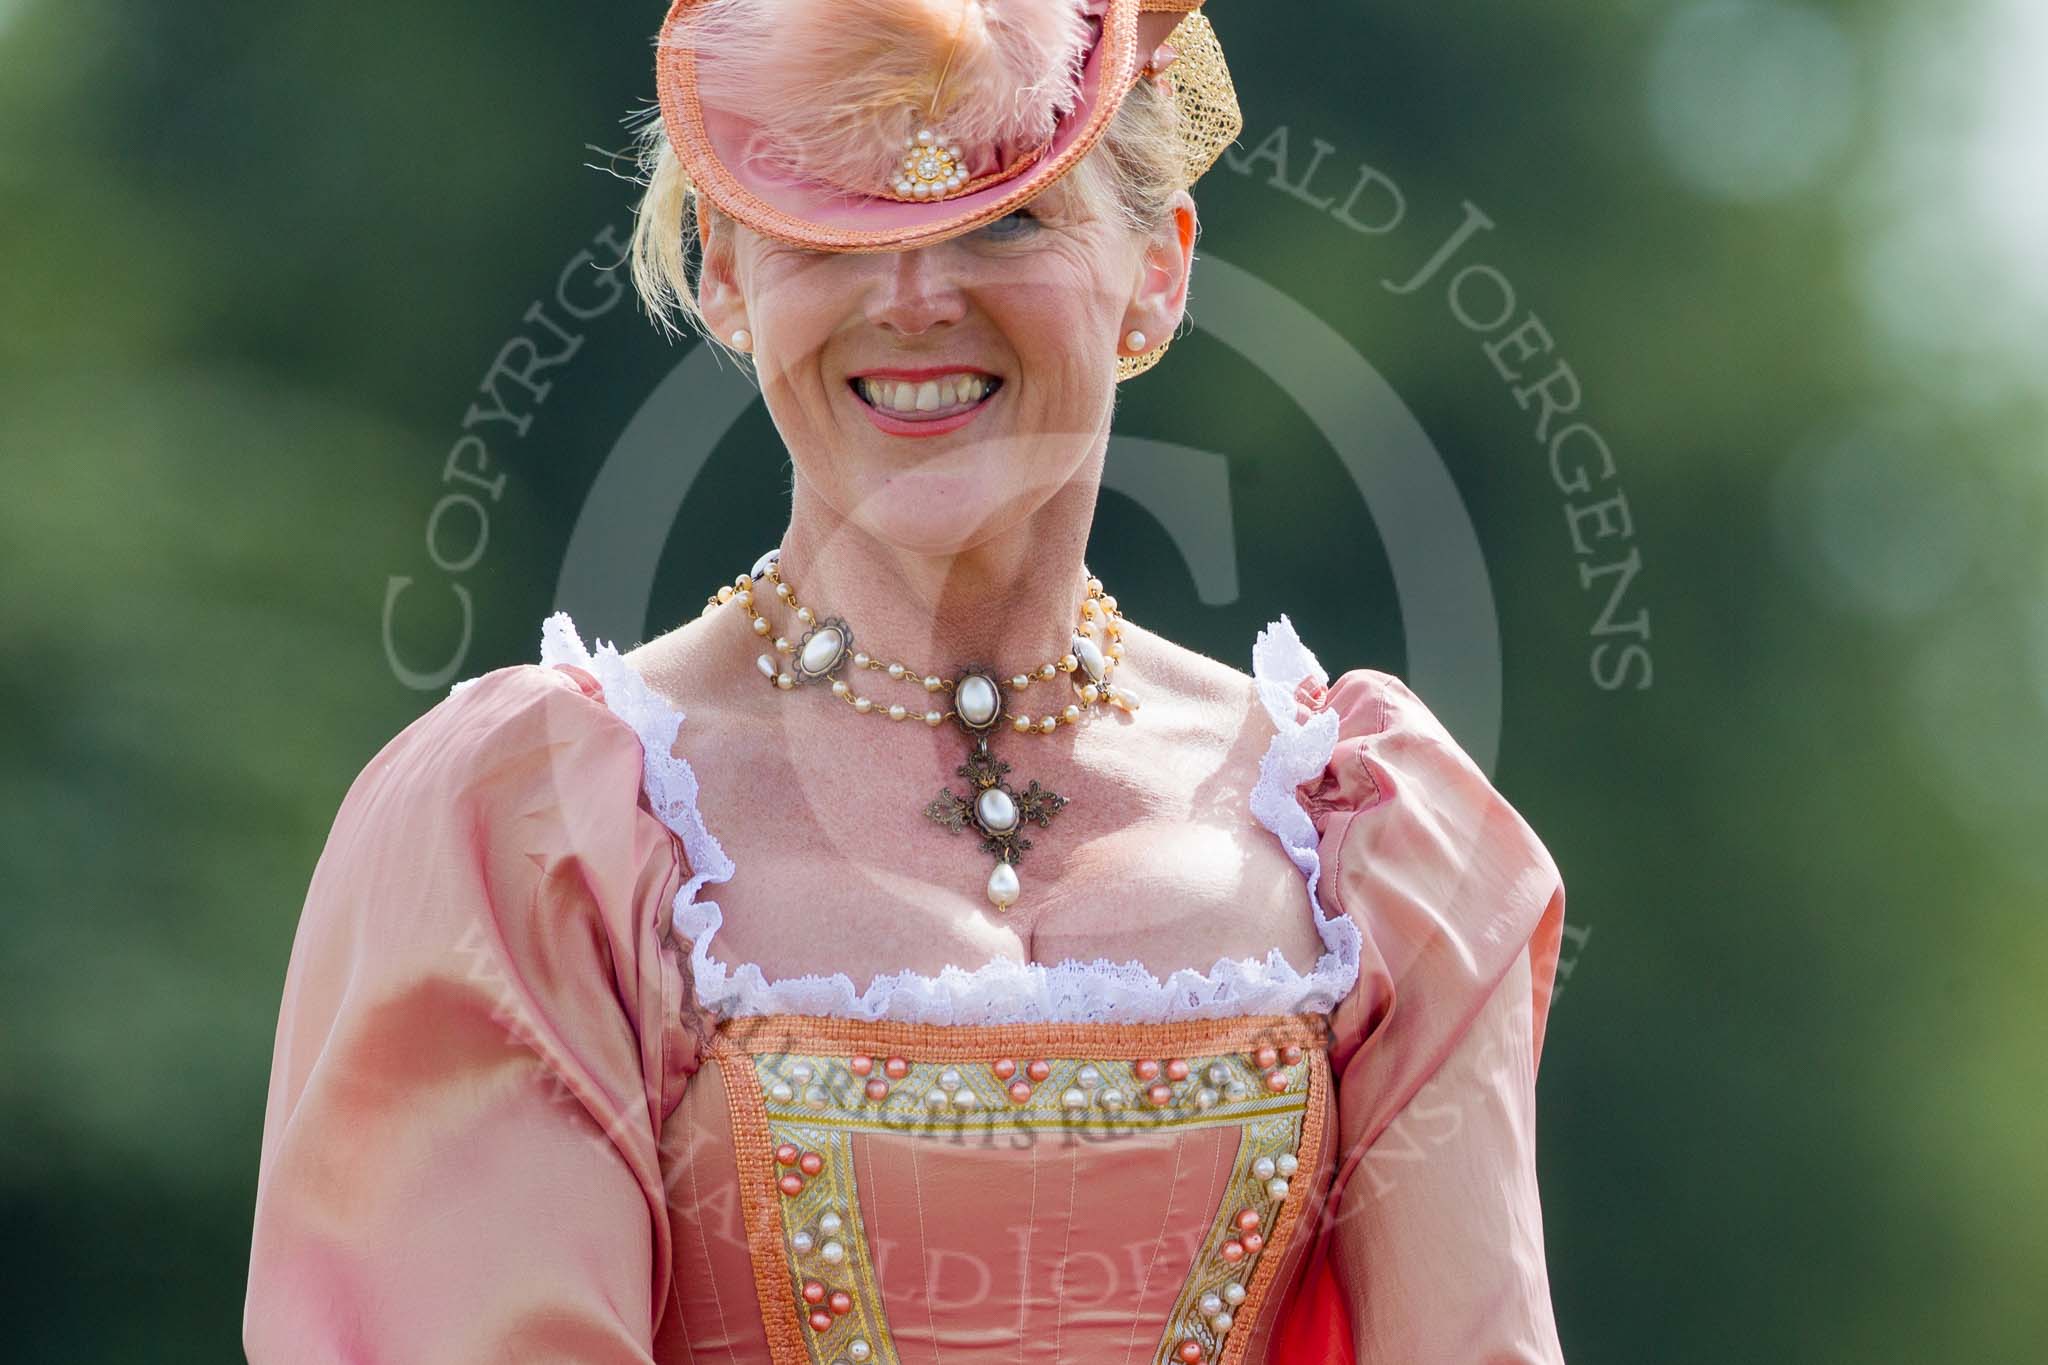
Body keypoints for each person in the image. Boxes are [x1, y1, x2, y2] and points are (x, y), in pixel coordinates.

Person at [243, 1, 1570, 1360]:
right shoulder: (536, 831)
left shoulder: (1366, 843)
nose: (917, 296)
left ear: (1157, 269)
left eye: (1009, 221)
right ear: (726, 274)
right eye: (834, 225)